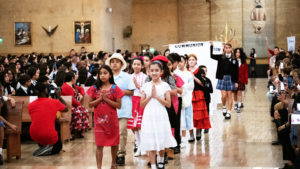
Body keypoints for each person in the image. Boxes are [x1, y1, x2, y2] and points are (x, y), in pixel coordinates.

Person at [140, 61, 177, 169]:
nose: (154, 73)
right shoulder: (146, 85)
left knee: (161, 138)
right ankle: (152, 164)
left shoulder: (165, 85)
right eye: (152, 70)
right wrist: (150, 96)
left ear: (161, 71)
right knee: (151, 139)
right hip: (149, 115)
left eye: (156, 70)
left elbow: (169, 104)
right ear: (148, 72)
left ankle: (161, 161)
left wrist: (156, 96)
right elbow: (142, 104)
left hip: (161, 114)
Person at [87, 65, 124, 169]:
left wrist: (106, 99)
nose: (102, 75)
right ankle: (99, 167)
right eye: (101, 73)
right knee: (99, 145)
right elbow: (89, 104)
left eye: (105, 73)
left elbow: (119, 106)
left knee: (114, 143)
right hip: (99, 122)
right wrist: (100, 99)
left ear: (110, 75)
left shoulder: (115, 88)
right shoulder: (94, 88)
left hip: (112, 121)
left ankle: (113, 163)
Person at [105, 53, 135, 166]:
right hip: (109, 109)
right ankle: (114, 154)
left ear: (121, 64)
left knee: (121, 132)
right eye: (112, 62)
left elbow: (131, 92)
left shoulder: (127, 77)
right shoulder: (106, 76)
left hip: (123, 108)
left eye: (117, 62)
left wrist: (118, 91)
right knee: (112, 133)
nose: (114, 64)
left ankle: (121, 154)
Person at [28, 82, 68, 156]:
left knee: (43, 137)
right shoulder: (54, 102)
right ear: (45, 90)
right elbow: (66, 109)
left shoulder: (30, 105)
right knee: (58, 146)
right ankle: (48, 149)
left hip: (34, 134)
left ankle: (45, 147)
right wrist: (59, 97)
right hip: (48, 134)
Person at [210, 41, 239, 119]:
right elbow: (212, 56)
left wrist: (236, 82)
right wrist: (211, 46)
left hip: (231, 79)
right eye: (226, 48)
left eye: (229, 48)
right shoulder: (221, 57)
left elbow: (236, 71)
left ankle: (229, 112)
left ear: (231, 49)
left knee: (230, 95)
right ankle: (223, 107)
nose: (228, 49)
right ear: (224, 49)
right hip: (222, 78)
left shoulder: (234, 59)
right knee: (223, 95)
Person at [126, 58, 147, 157]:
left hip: (141, 102)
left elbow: (145, 91)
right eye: (134, 64)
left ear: (142, 66)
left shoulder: (145, 77)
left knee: (140, 126)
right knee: (134, 126)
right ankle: (138, 146)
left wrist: (138, 86)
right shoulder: (129, 77)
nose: (136, 66)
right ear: (132, 65)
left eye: (138, 64)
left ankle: (143, 147)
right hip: (132, 102)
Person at [187, 54, 211, 141]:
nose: (191, 61)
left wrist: (193, 77)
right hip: (188, 94)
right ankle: (191, 134)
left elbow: (203, 83)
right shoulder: (186, 71)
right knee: (189, 115)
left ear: (196, 61)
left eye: (193, 60)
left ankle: (198, 131)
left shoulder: (200, 70)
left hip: (198, 94)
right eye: (189, 60)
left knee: (199, 115)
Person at [61, 71, 89, 139]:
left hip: (73, 105)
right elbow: (72, 100)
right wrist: (79, 104)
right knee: (79, 111)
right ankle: (76, 131)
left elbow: (81, 89)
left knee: (84, 110)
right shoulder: (66, 87)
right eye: (75, 78)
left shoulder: (72, 86)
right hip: (68, 106)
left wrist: (81, 95)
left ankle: (79, 130)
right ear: (72, 78)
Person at [174, 55, 194, 147]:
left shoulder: (189, 74)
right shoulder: (174, 73)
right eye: (178, 62)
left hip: (186, 97)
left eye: (181, 62)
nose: (179, 64)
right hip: (177, 97)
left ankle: (184, 139)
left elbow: (191, 86)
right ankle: (179, 139)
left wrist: (183, 87)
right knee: (179, 120)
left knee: (186, 119)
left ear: (185, 62)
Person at [0, 84, 18, 165]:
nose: (3, 92)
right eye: (2, 90)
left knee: (0, 125)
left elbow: (8, 97)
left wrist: (12, 99)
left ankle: (0, 152)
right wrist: (10, 125)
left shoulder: (1, 98)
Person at [199, 65, 213, 133]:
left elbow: (211, 90)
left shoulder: (208, 80)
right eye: (202, 70)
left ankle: (206, 127)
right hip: (199, 99)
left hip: (206, 98)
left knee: (207, 113)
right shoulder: (197, 80)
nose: (204, 72)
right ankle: (200, 127)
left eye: (205, 71)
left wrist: (206, 86)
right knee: (200, 114)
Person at [233, 48, 248, 113]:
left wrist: (246, 79)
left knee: (239, 92)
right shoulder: (232, 60)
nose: (237, 53)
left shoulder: (243, 61)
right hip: (234, 79)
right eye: (236, 52)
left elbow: (246, 71)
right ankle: (236, 104)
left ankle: (239, 105)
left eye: (239, 52)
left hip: (241, 79)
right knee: (235, 93)